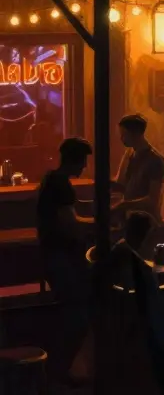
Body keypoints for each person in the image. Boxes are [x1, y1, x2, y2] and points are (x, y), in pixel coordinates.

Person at [108, 212, 164, 394]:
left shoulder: (124, 255)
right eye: (153, 236)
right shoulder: (140, 270)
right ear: (145, 238)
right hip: (145, 338)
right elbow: (156, 316)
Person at [36, 138, 93, 377]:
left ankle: (59, 368)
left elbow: (73, 209)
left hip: (51, 255)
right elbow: (70, 223)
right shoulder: (61, 184)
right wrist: (101, 224)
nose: (85, 167)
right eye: (84, 161)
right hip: (61, 257)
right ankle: (59, 368)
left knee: (73, 309)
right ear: (76, 160)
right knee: (79, 311)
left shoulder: (52, 180)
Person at [113, 114, 164, 223]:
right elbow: (120, 183)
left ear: (136, 134)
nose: (121, 138)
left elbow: (153, 200)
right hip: (130, 218)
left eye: (124, 134)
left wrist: (124, 205)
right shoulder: (129, 154)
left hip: (147, 222)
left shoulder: (155, 160)